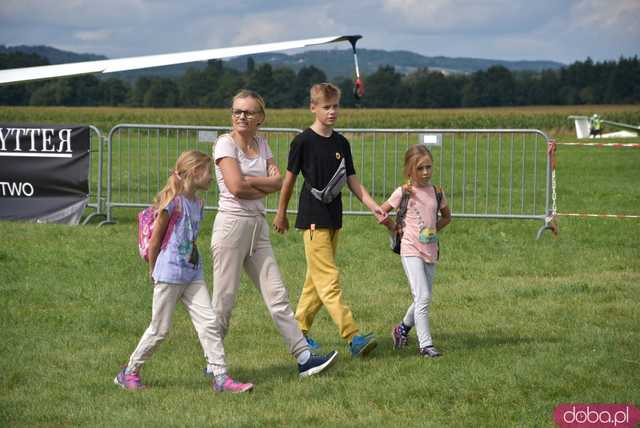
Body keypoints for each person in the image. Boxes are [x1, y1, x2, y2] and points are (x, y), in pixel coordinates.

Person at [209, 90, 338, 383]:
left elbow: (278, 181)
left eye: (249, 112)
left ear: (261, 118)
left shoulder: (262, 143)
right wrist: (261, 183)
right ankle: (213, 362)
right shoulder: (224, 144)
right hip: (231, 227)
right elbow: (235, 188)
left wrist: (254, 181)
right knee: (225, 300)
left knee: (277, 296)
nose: (242, 116)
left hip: (258, 226)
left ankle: (304, 358)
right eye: (237, 111)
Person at [114, 150, 254, 393]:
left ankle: (221, 378)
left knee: (209, 323)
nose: (212, 177)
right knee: (159, 330)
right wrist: (153, 270)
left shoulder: (198, 203)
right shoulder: (172, 203)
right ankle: (129, 373)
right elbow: (156, 241)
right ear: (194, 173)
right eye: (209, 172)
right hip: (169, 275)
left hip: (192, 274)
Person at [273, 83, 385, 357]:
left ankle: (298, 331)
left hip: (334, 218)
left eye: (335, 106)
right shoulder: (302, 142)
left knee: (316, 280)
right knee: (329, 280)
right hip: (312, 219)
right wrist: (281, 212)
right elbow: (288, 181)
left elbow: (352, 180)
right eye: (326, 107)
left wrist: (373, 206)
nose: (332, 112)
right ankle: (353, 336)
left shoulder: (341, 143)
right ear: (313, 108)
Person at [379, 144, 451, 358]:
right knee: (423, 297)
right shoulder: (404, 192)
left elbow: (447, 216)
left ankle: (401, 330)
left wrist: (433, 230)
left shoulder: (437, 192)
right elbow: (381, 212)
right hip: (410, 249)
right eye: (420, 168)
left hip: (430, 249)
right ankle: (426, 346)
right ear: (409, 170)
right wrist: (394, 228)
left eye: (428, 167)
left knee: (423, 297)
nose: (425, 172)